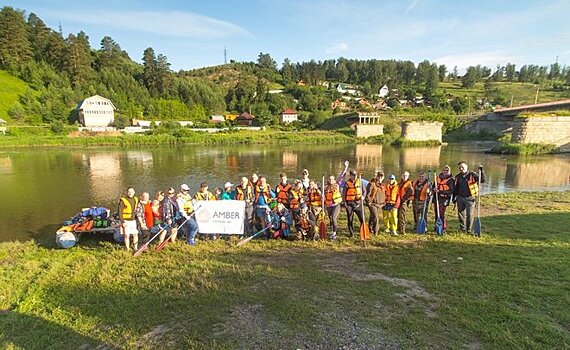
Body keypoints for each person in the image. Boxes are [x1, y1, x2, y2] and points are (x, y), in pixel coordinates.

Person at [453, 161, 485, 234]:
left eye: (462, 167)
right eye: (460, 167)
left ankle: (469, 229)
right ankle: (462, 228)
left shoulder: (472, 175)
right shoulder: (457, 177)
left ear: (466, 167)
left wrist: (482, 171)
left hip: (470, 198)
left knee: (469, 215)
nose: (461, 168)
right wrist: (454, 198)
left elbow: (482, 180)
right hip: (460, 198)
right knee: (461, 214)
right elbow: (456, 188)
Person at [342, 169, 365, 238]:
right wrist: (345, 203)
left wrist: (363, 196)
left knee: (362, 219)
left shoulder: (360, 182)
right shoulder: (347, 183)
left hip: (358, 203)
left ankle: (363, 231)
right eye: (353, 175)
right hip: (349, 204)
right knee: (350, 219)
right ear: (350, 176)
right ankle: (351, 233)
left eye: (355, 175)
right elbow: (344, 194)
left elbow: (364, 191)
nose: (354, 177)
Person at [118, 187, 141, 251]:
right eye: (129, 192)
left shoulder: (136, 199)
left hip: (133, 220)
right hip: (125, 220)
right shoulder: (123, 200)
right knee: (126, 235)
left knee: (135, 234)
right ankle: (127, 248)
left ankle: (135, 247)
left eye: (132, 192)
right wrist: (122, 222)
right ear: (127, 193)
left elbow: (142, 201)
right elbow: (119, 212)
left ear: (134, 192)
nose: (130, 193)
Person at [434, 165, 455, 233]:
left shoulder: (451, 180)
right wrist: (433, 189)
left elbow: (451, 191)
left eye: (447, 170)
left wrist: (440, 191)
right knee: (436, 213)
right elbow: (434, 186)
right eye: (444, 170)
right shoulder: (438, 177)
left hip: (444, 199)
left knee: (441, 213)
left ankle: (443, 227)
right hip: (437, 198)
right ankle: (437, 226)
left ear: (449, 171)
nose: (445, 172)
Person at [366, 171, 386, 235]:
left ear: (383, 177)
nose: (380, 177)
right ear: (376, 176)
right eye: (379, 176)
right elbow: (367, 194)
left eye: (381, 176)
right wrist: (368, 202)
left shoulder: (383, 185)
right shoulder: (372, 184)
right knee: (376, 217)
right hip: (373, 204)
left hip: (380, 204)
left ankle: (370, 228)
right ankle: (376, 232)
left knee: (372, 216)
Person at [324, 174, 342, 240]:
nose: (331, 180)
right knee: (330, 219)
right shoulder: (326, 187)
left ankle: (334, 232)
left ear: (334, 180)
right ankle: (332, 231)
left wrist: (345, 169)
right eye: (329, 179)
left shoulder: (337, 185)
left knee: (334, 218)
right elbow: (324, 195)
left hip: (336, 205)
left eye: (332, 179)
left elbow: (341, 177)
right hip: (329, 205)